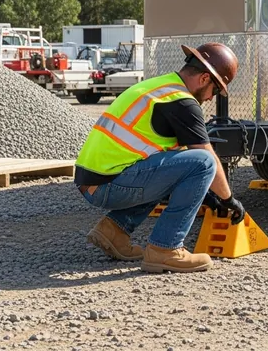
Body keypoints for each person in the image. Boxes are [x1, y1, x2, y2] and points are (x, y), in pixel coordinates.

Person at [74, 42, 247, 273]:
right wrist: (228, 199)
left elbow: (170, 165)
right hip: (108, 185)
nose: (210, 98)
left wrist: (203, 193)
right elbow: (207, 158)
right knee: (203, 163)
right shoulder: (182, 102)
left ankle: (113, 231)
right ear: (205, 78)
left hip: (96, 181)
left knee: (178, 161)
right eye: (215, 91)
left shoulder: (161, 87)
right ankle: (165, 249)